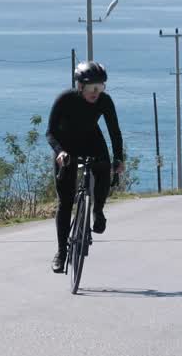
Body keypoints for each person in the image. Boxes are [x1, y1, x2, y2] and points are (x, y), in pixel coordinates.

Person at [46, 61, 124, 273]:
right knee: (65, 202)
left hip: (92, 141)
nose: (96, 92)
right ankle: (62, 253)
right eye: (91, 88)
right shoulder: (65, 99)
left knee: (104, 166)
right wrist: (60, 152)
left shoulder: (105, 101)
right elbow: (50, 132)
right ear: (80, 86)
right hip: (66, 145)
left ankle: (97, 210)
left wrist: (119, 159)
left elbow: (114, 131)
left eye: (100, 87)